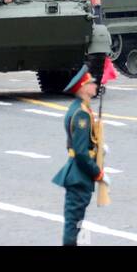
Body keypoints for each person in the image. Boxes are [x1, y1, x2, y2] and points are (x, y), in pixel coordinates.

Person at [52, 65, 103, 246]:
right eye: (91, 83)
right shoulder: (81, 114)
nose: (95, 86)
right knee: (73, 222)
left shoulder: (78, 108)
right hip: (79, 174)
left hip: (76, 172)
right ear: (83, 87)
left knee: (74, 221)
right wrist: (97, 171)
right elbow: (81, 152)